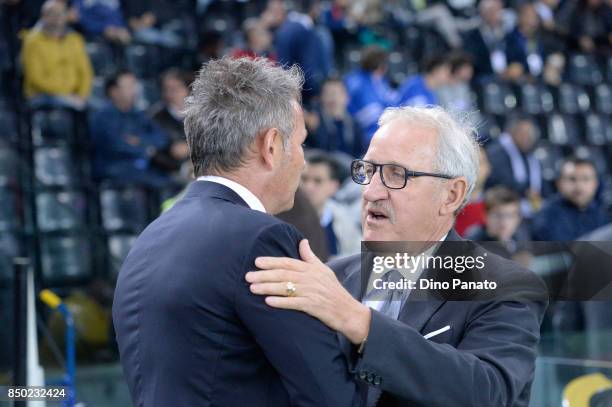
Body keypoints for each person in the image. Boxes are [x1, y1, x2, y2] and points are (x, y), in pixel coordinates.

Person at [246, 105, 546, 406]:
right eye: (369, 171)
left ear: (451, 195)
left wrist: (359, 322)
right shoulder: (332, 277)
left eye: (396, 175)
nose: (371, 192)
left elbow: (486, 392)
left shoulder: (506, 287)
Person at [112, 57, 360, 406]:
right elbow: (330, 396)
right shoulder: (263, 240)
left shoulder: (149, 238)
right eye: (301, 143)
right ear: (271, 145)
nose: (303, 161)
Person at [90, 70, 171, 187]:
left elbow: (161, 138)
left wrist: (140, 141)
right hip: (114, 169)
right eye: (128, 86)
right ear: (114, 91)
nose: (134, 91)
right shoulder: (103, 117)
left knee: (173, 183)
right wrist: (146, 150)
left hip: (143, 168)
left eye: (134, 85)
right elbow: (116, 145)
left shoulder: (138, 114)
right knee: (160, 184)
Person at [20, 0, 93, 110]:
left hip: (74, 96)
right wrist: (66, 94)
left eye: (61, 13)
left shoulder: (75, 39)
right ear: (43, 16)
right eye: (52, 14)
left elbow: (86, 72)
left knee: (99, 108)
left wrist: (82, 95)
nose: (57, 17)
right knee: (74, 108)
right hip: (42, 96)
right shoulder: (32, 41)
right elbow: (36, 79)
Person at [532, 157, 609, 241]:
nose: (579, 186)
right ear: (559, 183)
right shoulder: (546, 216)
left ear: (596, 184)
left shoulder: (602, 211)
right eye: (572, 179)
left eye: (586, 179)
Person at [301, 151, 361, 257]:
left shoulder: (346, 222)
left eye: (317, 181)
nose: (309, 187)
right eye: (304, 179)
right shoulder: (282, 216)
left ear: (334, 186)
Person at [485, 115, 542, 216]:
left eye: (530, 134)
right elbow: (501, 182)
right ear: (511, 132)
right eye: (523, 133)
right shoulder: (497, 152)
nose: (527, 138)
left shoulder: (529, 155)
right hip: (501, 207)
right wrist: (526, 191)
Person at [345, 45, 397, 143]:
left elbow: (393, 101)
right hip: (365, 136)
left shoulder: (381, 81)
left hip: (383, 132)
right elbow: (369, 121)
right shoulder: (356, 83)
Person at [306, 77, 366, 157]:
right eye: (327, 93)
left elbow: (360, 153)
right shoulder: (314, 122)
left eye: (335, 93)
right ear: (320, 98)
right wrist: (314, 132)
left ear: (347, 98)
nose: (332, 97)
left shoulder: (354, 125)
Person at [149, 68, 191, 176]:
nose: (171, 93)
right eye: (167, 89)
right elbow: (153, 151)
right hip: (171, 171)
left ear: (187, 89)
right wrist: (182, 168)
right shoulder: (156, 117)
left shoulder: (201, 114)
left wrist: (190, 148)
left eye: (176, 88)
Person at [467, 186, 530, 258]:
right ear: (485, 216)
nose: (504, 222)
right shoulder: (474, 240)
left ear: (518, 218)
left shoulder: (521, 238)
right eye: (497, 215)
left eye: (510, 215)